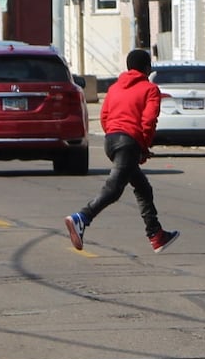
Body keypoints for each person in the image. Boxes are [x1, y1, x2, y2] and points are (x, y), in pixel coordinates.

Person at [63, 48, 180, 254]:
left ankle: (156, 234)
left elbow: (105, 116)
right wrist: (143, 146)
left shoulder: (115, 88)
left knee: (143, 187)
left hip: (112, 140)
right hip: (129, 142)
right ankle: (82, 217)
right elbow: (149, 120)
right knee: (114, 188)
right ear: (147, 68)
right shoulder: (150, 89)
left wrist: (117, 137)